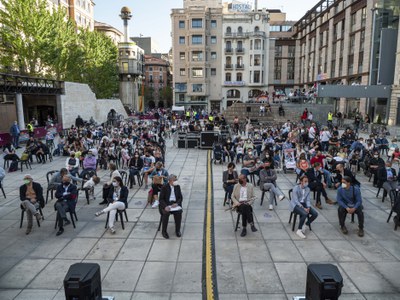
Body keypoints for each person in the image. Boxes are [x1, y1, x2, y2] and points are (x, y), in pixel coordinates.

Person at [159, 174, 183, 239]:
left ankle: (177, 230)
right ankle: (164, 231)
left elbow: (180, 197)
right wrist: (165, 207)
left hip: (174, 204)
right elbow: (161, 199)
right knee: (166, 214)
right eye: (174, 180)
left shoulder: (177, 187)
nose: (176, 181)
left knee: (179, 212)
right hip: (166, 204)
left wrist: (177, 203)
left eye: (176, 180)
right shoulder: (164, 187)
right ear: (170, 181)